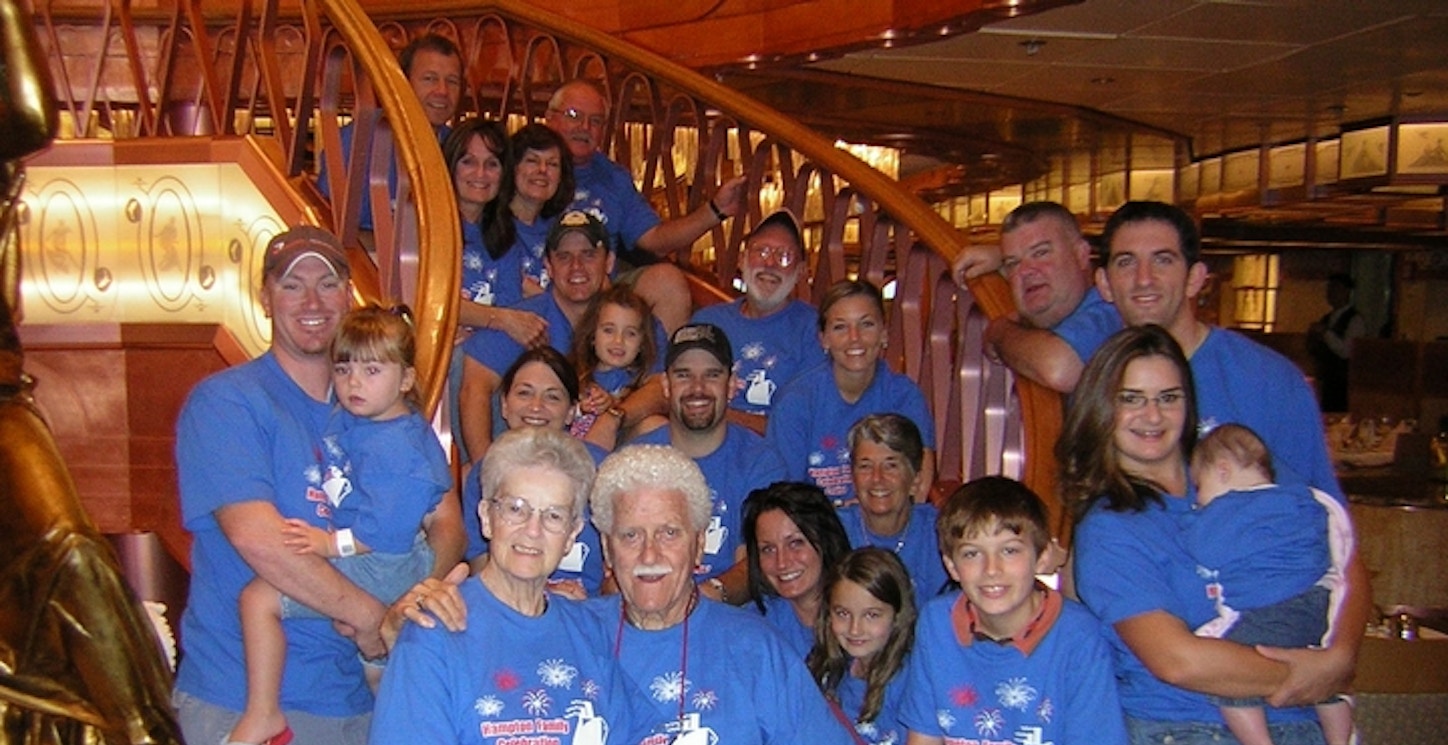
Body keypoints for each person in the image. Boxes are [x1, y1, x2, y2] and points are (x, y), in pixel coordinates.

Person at [173, 226, 463, 745]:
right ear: (264, 297)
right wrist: (374, 617)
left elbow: (447, 523)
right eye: (291, 284)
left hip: (361, 696)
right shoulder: (227, 402)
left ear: (348, 296)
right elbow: (261, 542)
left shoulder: (383, 411)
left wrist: (403, 607)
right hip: (249, 700)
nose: (312, 300)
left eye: (327, 284)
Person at [1063, 325, 1354, 744]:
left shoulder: (1235, 465)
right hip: (1188, 727)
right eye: (1131, 399)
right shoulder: (1111, 526)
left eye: (1169, 398)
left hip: (1302, 720)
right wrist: (1307, 673)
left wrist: (1341, 657)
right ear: (1100, 407)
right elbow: (1176, 661)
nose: (1153, 415)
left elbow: (1343, 558)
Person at [226, 305, 451, 745]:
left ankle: (262, 712)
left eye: (371, 370)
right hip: (392, 563)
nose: (353, 382)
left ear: (405, 380)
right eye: (344, 368)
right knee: (378, 669)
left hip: (384, 561)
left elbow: (383, 532)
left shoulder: (397, 448)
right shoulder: (377, 422)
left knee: (258, 600)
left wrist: (328, 543)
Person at [370, 428, 650, 745]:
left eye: (554, 516)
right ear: (487, 517)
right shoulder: (434, 627)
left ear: (572, 534)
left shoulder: (591, 633)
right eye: (516, 508)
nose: (533, 530)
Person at [588, 445, 856, 743]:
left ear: (699, 543)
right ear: (607, 548)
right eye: (630, 535)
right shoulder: (574, 634)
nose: (649, 555)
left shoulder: (754, 648)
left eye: (669, 533)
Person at [903, 476, 1127, 745]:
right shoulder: (936, 623)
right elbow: (923, 737)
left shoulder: (1077, 637)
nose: (992, 569)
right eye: (972, 554)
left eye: (1009, 551)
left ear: (1042, 557)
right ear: (951, 566)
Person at [1187, 424, 1356, 745]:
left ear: (1222, 471)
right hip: (1318, 603)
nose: (1199, 497)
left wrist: (1192, 520)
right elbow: (1338, 542)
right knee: (1325, 682)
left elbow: (1205, 550)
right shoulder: (1300, 499)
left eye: (1200, 486)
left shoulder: (1229, 511)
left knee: (1228, 678)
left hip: (1272, 608)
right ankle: (1340, 740)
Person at [457, 209, 666, 462]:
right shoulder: (526, 320)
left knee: (654, 426)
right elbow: (473, 387)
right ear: (548, 266)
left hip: (610, 446)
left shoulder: (632, 318)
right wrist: (485, 470)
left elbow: (660, 387)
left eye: (588, 255)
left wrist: (613, 416)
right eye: (564, 256)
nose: (576, 266)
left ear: (609, 262)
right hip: (535, 455)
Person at [545, 79, 749, 334]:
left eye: (596, 121)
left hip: (603, 287)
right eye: (574, 115)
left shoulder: (612, 178)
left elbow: (655, 239)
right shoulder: (526, 169)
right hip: (542, 279)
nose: (584, 127)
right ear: (549, 118)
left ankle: (655, 373)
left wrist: (715, 210)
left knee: (668, 281)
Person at [630, 322, 787, 601]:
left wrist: (705, 597)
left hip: (725, 620)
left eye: (712, 375)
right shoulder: (634, 460)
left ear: (731, 385)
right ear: (666, 385)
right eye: (683, 375)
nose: (697, 388)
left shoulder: (762, 463)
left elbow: (759, 562)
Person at [765, 279, 936, 504]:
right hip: (817, 529)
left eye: (866, 324)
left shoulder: (905, 396)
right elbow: (784, 495)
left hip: (887, 523)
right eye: (840, 327)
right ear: (824, 339)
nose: (854, 337)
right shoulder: (796, 402)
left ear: (884, 334)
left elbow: (919, 481)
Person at [460, 347, 609, 598]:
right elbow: (480, 567)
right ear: (505, 405)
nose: (536, 407)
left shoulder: (605, 471)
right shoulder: (485, 473)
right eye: (524, 393)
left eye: (552, 397)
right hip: (512, 608)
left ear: (572, 410)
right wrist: (543, 597)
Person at [952, 200, 1122, 393]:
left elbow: (1059, 369)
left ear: (1082, 254)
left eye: (1041, 253)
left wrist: (998, 332)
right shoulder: (1060, 313)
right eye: (1013, 263)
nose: (1026, 271)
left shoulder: (1109, 309)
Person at [691, 208, 823, 429]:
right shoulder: (706, 322)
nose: (770, 264)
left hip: (776, 457)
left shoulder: (813, 329)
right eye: (761, 252)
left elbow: (802, 426)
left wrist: (722, 416)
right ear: (742, 260)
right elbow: (677, 397)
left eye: (784, 256)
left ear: (801, 271)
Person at [321, 33, 463, 233]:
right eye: (430, 79)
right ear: (403, 85)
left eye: (452, 81)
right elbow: (331, 225)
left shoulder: (459, 147)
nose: (442, 91)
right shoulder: (358, 140)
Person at [806, 548, 916, 745]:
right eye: (843, 613)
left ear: (898, 615)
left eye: (871, 615)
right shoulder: (828, 671)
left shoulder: (909, 681)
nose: (855, 629)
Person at [835, 413, 947, 599]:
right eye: (865, 466)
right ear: (852, 478)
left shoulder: (940, 532)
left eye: (891, 466)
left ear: (915, 480)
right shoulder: (832, 531)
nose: (877, 478)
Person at [742, 481, 853, 658]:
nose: (782, 563)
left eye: (795, 543)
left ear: (825, 541)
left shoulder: (863, 618)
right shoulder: (751, 627)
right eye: (768, 549)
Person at [483, 123, 576, 297]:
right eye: (532, 161)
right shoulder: (489, 225)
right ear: (513, 167)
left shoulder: (562, 232)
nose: (542, 170)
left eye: (552, 164)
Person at [568, 284, 658, 441]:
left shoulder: (642, 387)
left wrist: (614, 404)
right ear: (592, 336)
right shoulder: (572, 376)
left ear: (642, 344)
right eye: (609, 330)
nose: (618, 341)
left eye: (630, 333)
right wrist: (580, 408)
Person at [1306, 273, 1367, 413]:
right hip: (1326, 377)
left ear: (1346, 292)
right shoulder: (1327, 318)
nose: (1330, 293)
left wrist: (1325, 333)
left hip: (1343, 380)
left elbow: (1346, 351)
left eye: (1335, 289)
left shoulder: (1355, 320)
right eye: (1329, 289)